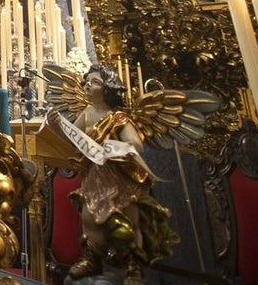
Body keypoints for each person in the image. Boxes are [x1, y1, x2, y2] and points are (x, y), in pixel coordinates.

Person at [45, 65, 170, 284]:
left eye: (94, 82)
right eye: (86, 81)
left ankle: (133, 267)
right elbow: (74, 141)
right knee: (89, 217)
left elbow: (135, 145)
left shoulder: (118, 118)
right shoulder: (86, 113)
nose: (87, 85)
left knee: (127, 221)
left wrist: (111, 148)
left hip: (118, 175)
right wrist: (57, 127)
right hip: (95, 176)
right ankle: (92, 258)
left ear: (108, 89)